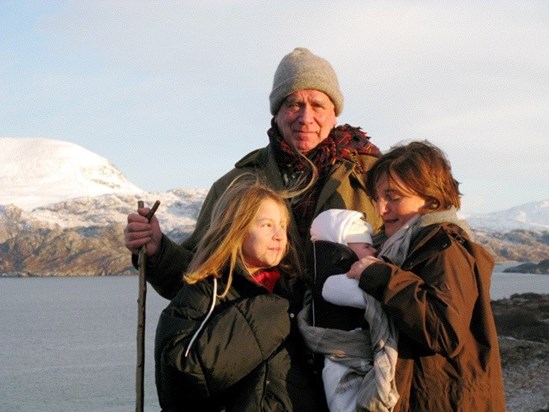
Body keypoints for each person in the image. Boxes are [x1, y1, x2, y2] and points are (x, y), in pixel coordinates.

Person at [124, 47, 382, 300]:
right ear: (277, 112)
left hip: (350, 338)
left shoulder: (372, 176)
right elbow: (195, 276)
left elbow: (411, 254)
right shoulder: (235, 185)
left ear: (334, 114)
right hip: (262, 337)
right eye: (294, 104)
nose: (306, 117)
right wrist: (158, 250)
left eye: (317, 105)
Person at [345, 140, 506, 411]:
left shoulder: (445, 247)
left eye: (393, 197)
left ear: (430, 199)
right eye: (379, 198)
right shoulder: (396, 248)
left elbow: (445, 331)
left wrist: (381, 276)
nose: (381, 209)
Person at [154, 175, 325, 411]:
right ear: (236, 229)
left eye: (283, 226)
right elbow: (180, 376)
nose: (279, 235)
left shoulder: (298, 291)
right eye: (267, 225)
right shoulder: (207, 290)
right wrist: (269, 312)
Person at [298, 209, 399, 412]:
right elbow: (375, 297)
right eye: (366, 246)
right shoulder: (331, 283)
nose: (373, 252)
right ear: (344, 247)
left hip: (351, 358)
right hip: (340, 363)